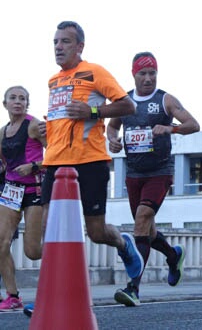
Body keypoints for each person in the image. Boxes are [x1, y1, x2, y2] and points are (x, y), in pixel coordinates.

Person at [27, 21, 144, 318]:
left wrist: (93, 111)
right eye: (55, 42)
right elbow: (60, 122)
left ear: (79, 46)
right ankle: (48, 296)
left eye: (65, 41)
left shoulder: (95, 72)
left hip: (90, 162)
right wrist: (42, 132)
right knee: (48, 229)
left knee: (95, 232)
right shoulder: (53, 80)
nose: (58, 47)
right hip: (55, 162)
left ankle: (123, 243)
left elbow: (128, 106)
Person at [106, 52, 199, 306]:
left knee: (141, 220)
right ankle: (172, 256)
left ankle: (133, 288)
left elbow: (193, 124)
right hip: (134, 173)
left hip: (160, 171)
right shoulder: (124, 101)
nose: (148, 79)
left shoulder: (165, 100)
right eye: (143, 74)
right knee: (147, 229)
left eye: (152, 73)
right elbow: (112, 125)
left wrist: (171, 128)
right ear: (134, 75)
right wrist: (112, 140)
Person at [0, 86, 44, 312]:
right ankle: (12, 295)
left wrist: (34, 166)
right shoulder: (2, 131)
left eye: (23, 99)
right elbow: (4, 163)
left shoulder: (34, 125)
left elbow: (57, 155)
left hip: (34, 189)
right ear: (4, 103)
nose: (18, 102)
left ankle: (65, 263)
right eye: (13, 98)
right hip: (10, 191)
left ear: (27, 103)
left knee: (33, 251)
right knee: (1, 243)